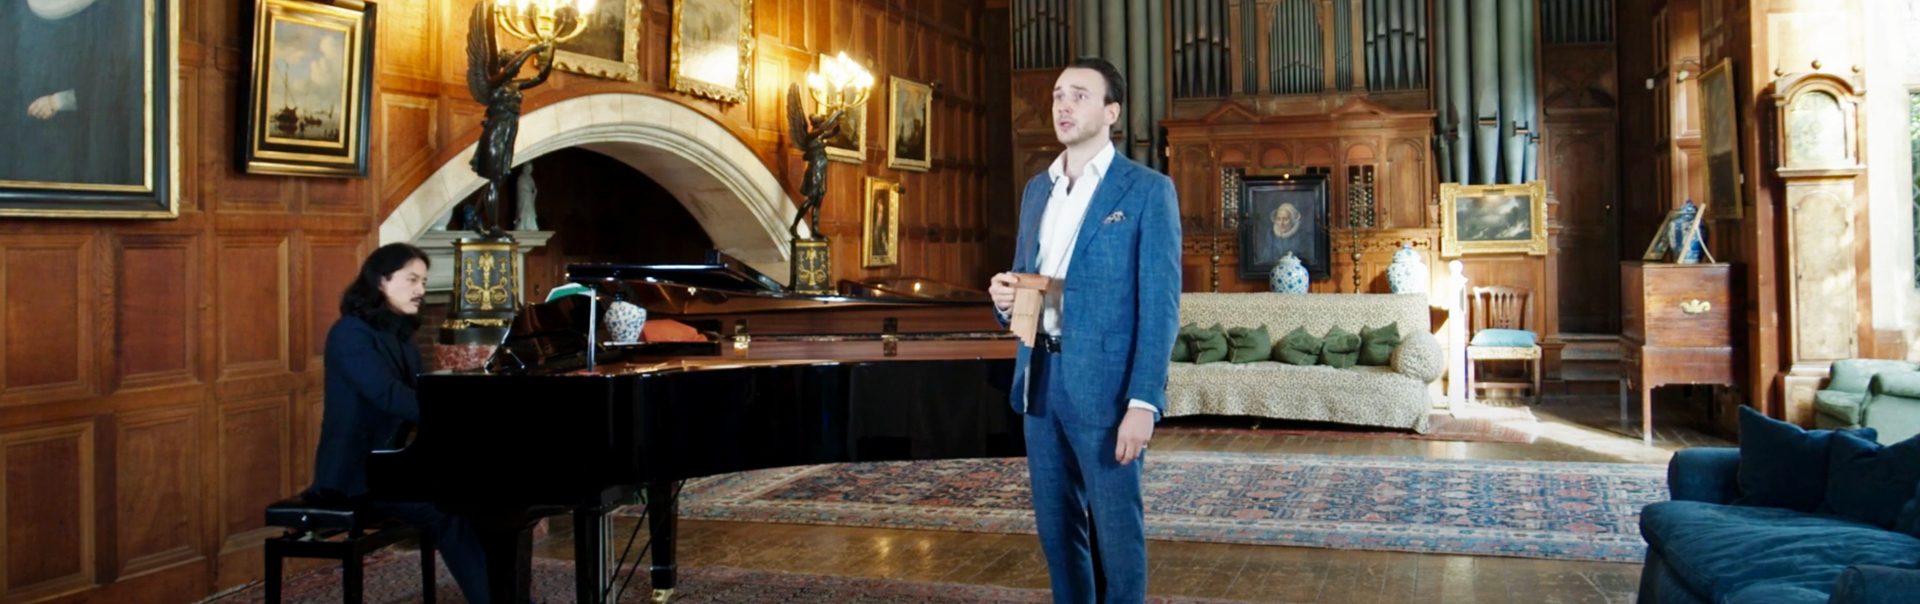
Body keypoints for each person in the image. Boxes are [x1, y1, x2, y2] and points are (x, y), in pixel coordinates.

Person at [987, 57, 1180, 604]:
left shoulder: (1147, 191)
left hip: (1108, 390)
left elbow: (1160, 307)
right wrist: (1004, 299)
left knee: (1117, 536)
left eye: (1079, 95)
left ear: (1111, 112)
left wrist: (1144, 402)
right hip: (1040, 381)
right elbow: (1027, 280)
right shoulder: (1037, 191)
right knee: (1057, 533)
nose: (1063, 105)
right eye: (1057, 95)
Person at [308, 243, 492, 603]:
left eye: (423, 281)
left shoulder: (399, 334)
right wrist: (459, 418)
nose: (421, 290)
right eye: (412, 280)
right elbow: (390, 396)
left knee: (481, 500)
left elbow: (421, 394)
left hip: (394, 465)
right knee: (449, 511)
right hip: (355, 474)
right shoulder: (349, 332)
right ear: (381, 281)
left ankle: (501, 593)